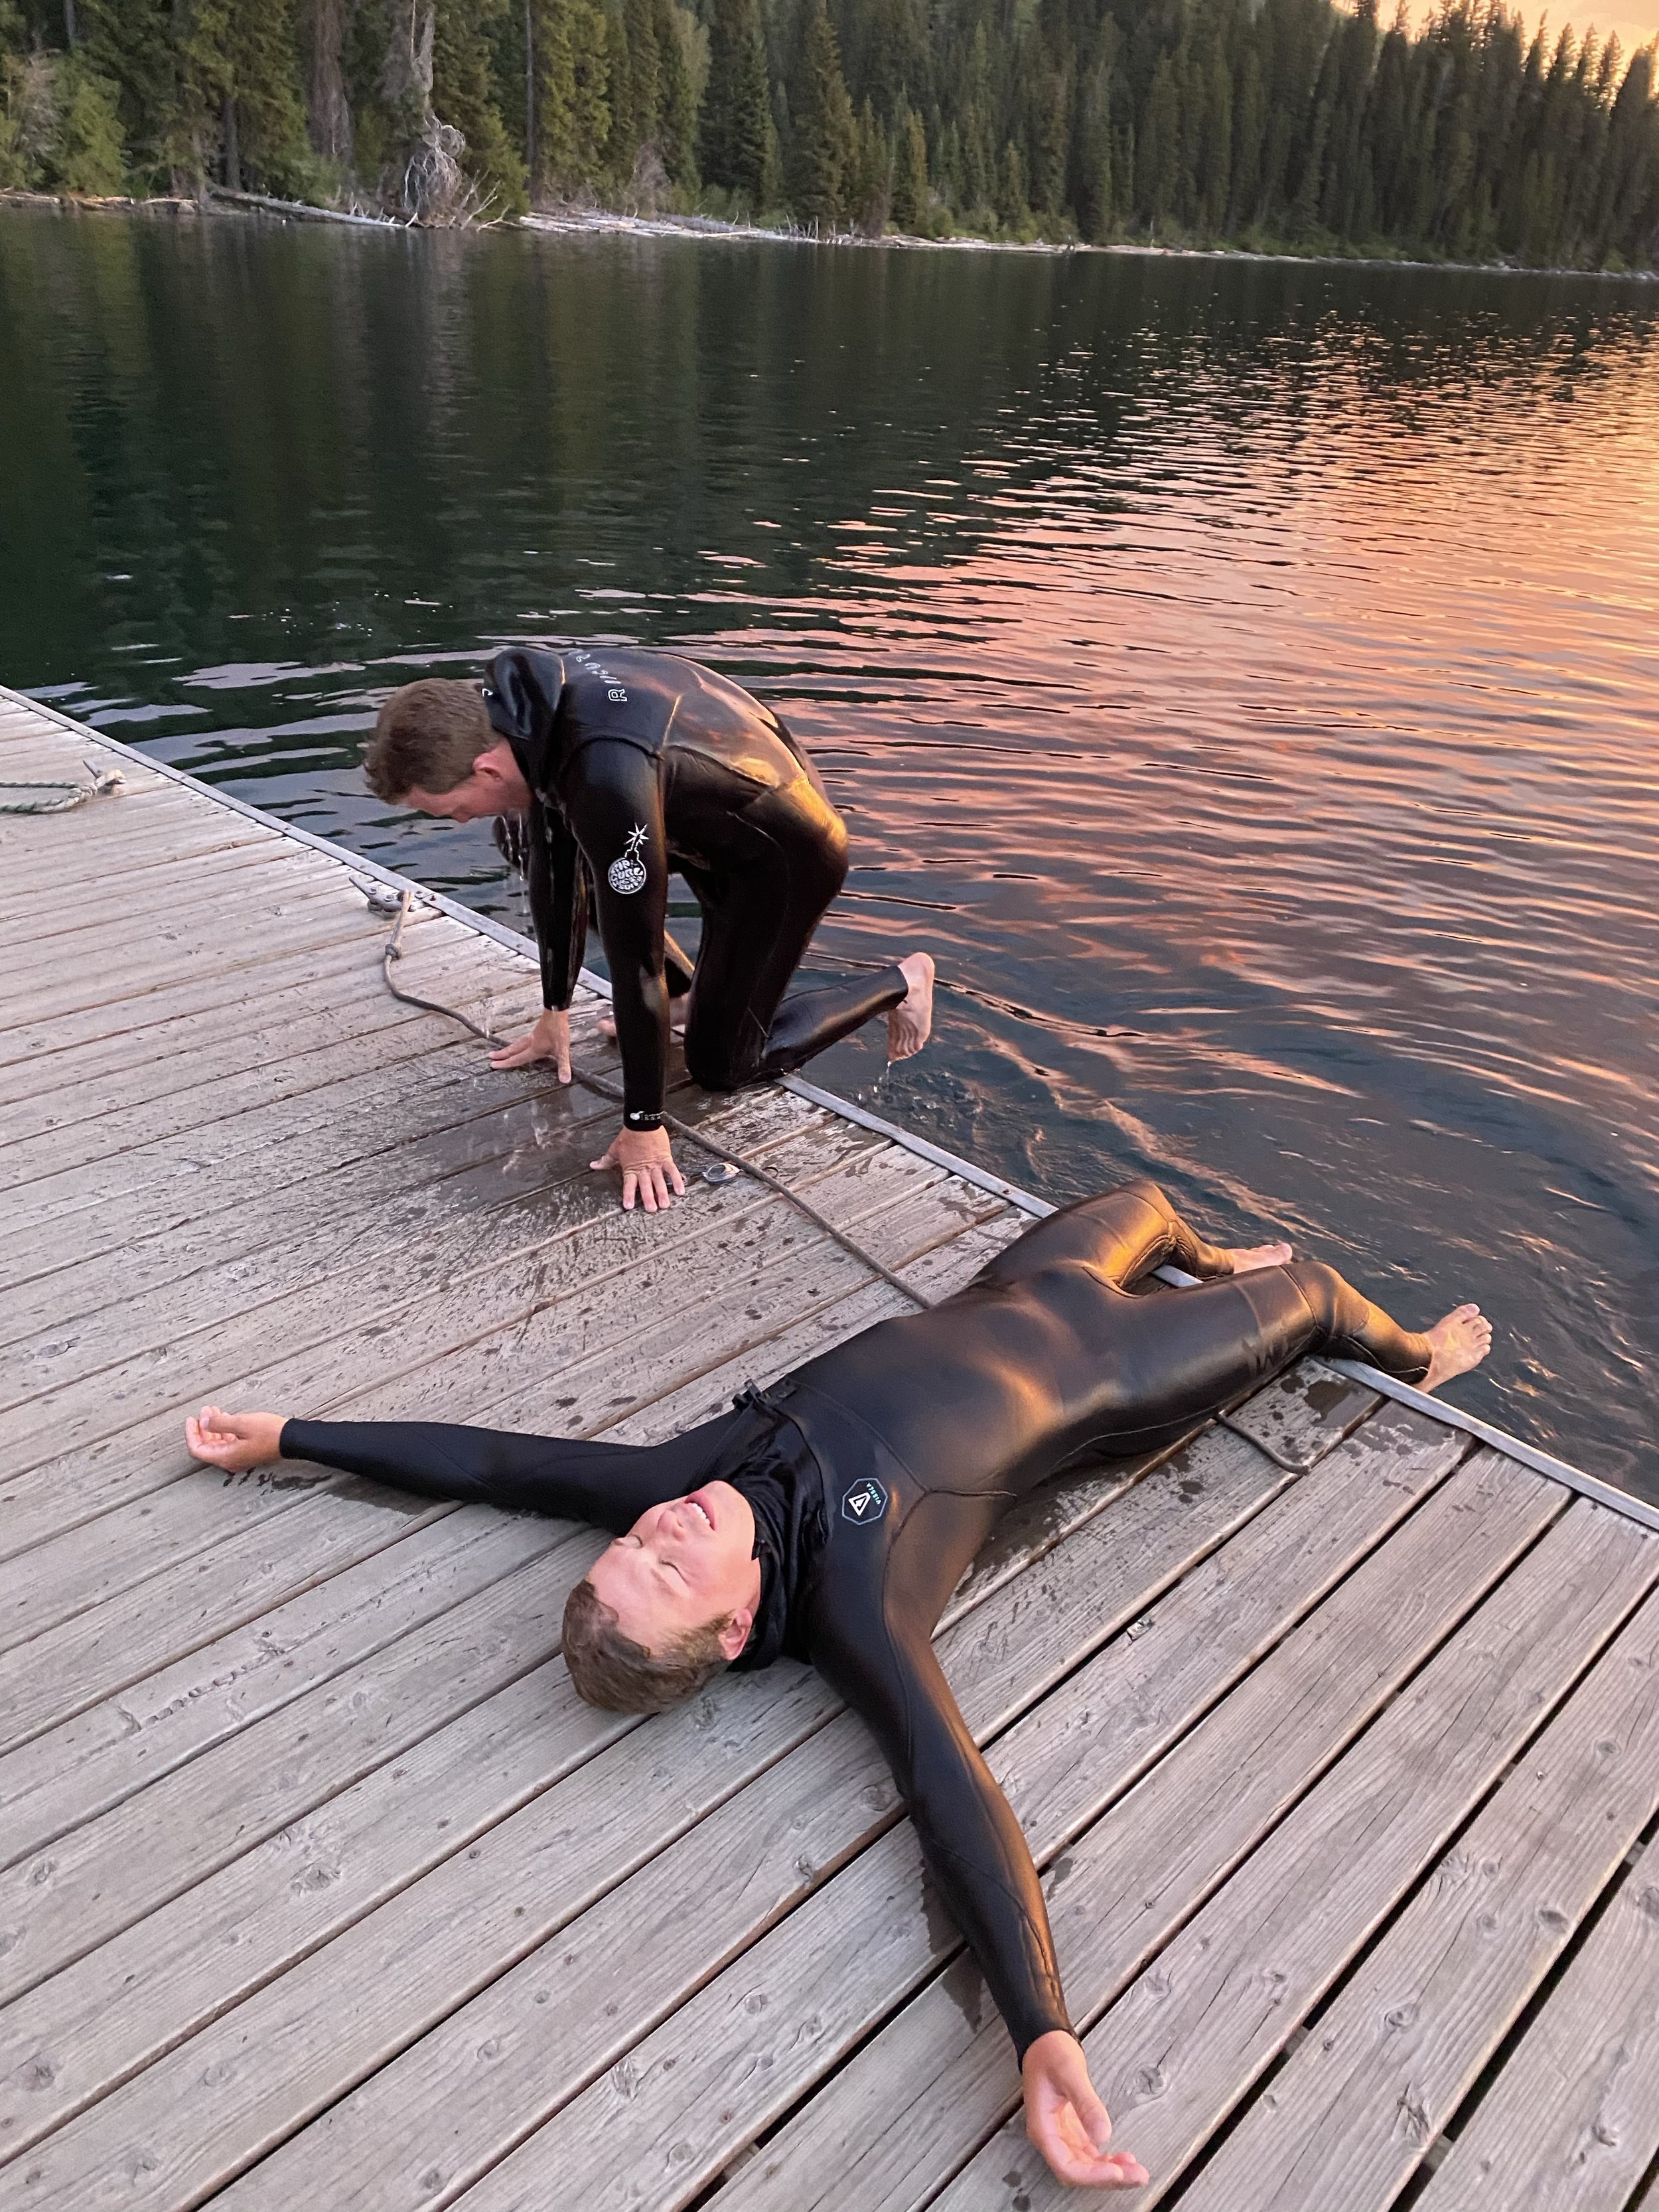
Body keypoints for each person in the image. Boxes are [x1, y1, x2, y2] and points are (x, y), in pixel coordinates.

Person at [185, 1179, 1490, 2191]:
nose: (663, 1524)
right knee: (1318, 1293)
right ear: (734, 1627)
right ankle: (1418, 1357)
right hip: (1116, 1377)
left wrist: (293, 1433)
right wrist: (1041, 2030)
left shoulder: (681, 1487)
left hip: (1014, 1289)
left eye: (633, 1542)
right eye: (668, 1565)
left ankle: (1205, 1261)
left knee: (1149, 1202)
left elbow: (496, 1464)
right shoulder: (857, 1602)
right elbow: (948, 1787)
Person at [364, 646, 936, 1213]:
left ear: (487, 768)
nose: (461, 819)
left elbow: (634, 961)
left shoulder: (603, 777)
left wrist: (644, 1124)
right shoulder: (523, 712)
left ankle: (902, 982)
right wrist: (554, 1011)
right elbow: (552, 860)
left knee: (722, 1066)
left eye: (452, 809)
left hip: (784, 858)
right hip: (705, 809)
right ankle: (687, 995)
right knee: (521, 834)